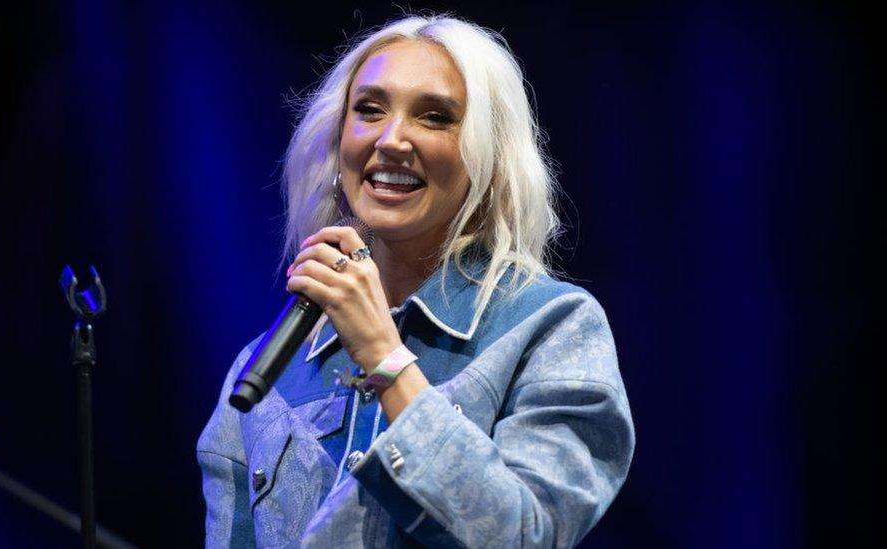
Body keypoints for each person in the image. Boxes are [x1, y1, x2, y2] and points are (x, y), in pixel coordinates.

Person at [197, 14, 634, 548]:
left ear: (488, 158)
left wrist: (384, 357)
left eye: (434, 117)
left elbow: (526, 536)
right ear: (339, 144)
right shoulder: (264, 366)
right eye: (369, 110)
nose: (392, 139)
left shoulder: (552, 328)